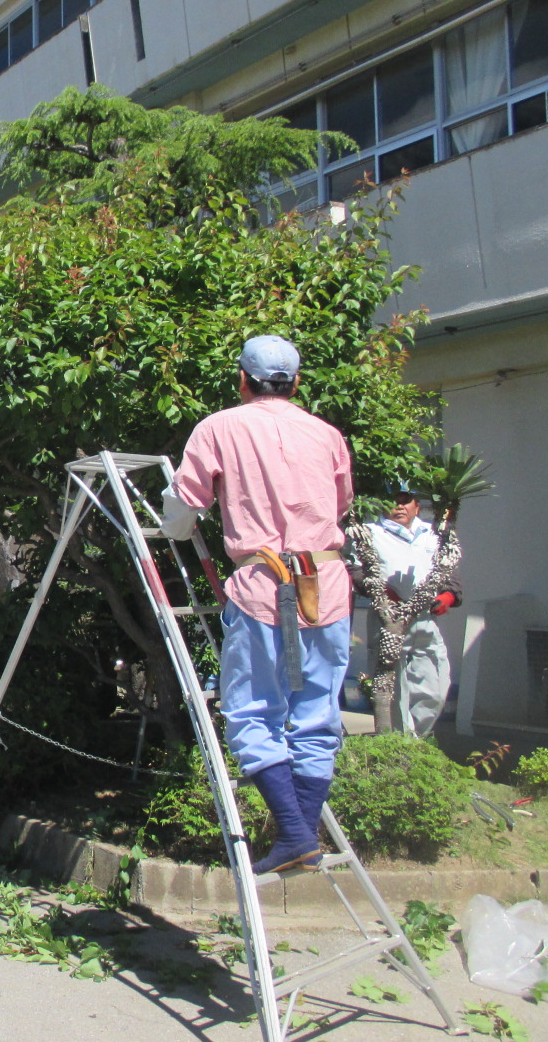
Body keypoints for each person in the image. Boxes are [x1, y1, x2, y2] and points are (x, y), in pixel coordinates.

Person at [160, 336, 353, 875]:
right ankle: (303, 835)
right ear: (296, 382)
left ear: (242, 379)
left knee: (251, 715)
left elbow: (182, 513)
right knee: (317, 718)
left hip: (264, 583)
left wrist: (169, 515)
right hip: (327, 582)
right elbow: (340, 504)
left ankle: (294, 834)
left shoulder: (220, 427)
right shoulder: (327, 434)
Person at [355, 487, 460, 737]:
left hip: (425, 618)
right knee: (394, 690)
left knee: (435, 687)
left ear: (417, 506)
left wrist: (448, 596)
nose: (399, 506)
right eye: (393, 501)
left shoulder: (433, 535)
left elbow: (450, 568)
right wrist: (378, 591)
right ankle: (400, 747)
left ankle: (415, 740)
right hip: (388, 616)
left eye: (405, 501)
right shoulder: (369, 533)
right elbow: (354, 570)